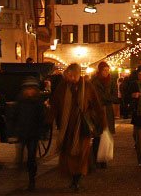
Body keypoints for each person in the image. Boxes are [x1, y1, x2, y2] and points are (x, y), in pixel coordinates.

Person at [48, 64, 105, 192]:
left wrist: (102, 122)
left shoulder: (87, 86)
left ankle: (77, 179)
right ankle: (73, 178)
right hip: (67, 126)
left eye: (73, 76)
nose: (71, 78)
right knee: (68, 154)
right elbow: (55, 104)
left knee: (81, 154)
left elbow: (96, 104)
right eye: (68, 76)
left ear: (78, 74)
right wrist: (49, 120)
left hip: (82, 126)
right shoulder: (62, 87)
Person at [14, 75, 48, 191]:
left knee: (31, 157)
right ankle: (19, 173)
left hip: (33, 133)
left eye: (31, 88)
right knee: (20, 155)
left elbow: (42, 118)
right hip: (23, 132)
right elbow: (15, 116)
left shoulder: (38, 103)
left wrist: (42, 131)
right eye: (27, 89)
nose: (29, 91)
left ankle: (31, 179)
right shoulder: (20, 101)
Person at [89, 61, 119, 169]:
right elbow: (96, 97)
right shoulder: (94, 81)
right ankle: (96, 159)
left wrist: (105, 98)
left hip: (108, 111)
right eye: (104, 70)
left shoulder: (111, 82)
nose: (106, 72)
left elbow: (115, 98)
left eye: (107, 70)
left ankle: (104, 159)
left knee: (107, 135)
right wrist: (107, 97)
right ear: (100, 71)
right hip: (97, 111)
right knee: (97, 136)